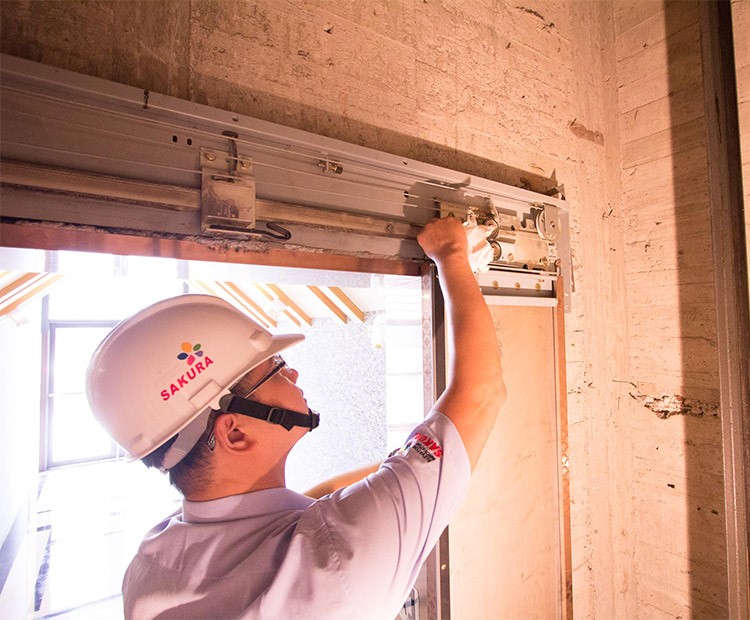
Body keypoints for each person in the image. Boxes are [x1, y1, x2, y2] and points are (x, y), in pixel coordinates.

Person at [86, 216, 505, 619]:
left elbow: (311, 504)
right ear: (234, 431)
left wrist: (405, 467)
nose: (293, 374)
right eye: (275, 368)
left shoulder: (152, 567)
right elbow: (480, 393)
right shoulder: (335, 563)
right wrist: (451, 251)